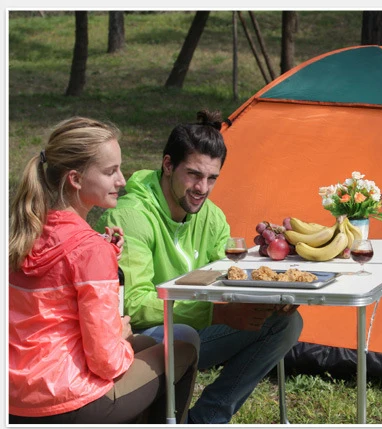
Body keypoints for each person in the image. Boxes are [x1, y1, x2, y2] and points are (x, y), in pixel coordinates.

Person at [95, 110, 303, 424]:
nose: (202, 188)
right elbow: (134, 308)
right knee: (184, 332)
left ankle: (207, 419)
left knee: (285, 323)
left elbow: (228, 278)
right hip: (137, 342)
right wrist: (216, 314)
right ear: (168, 165)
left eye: (212, 178)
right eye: (193, 174)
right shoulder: (130, 217)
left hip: (190, 330)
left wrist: (273, 296)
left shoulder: (212, 217)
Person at [8, 117, 198, 424]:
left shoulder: (23, 233)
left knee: (150, 345)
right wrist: (120, 337)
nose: (122, 180)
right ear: (75, 179)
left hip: (15, 395)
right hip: (68, 401)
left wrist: (103, 254)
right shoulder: (89, 250)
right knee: (182, 349)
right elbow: (106, 362)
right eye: (111, 171)